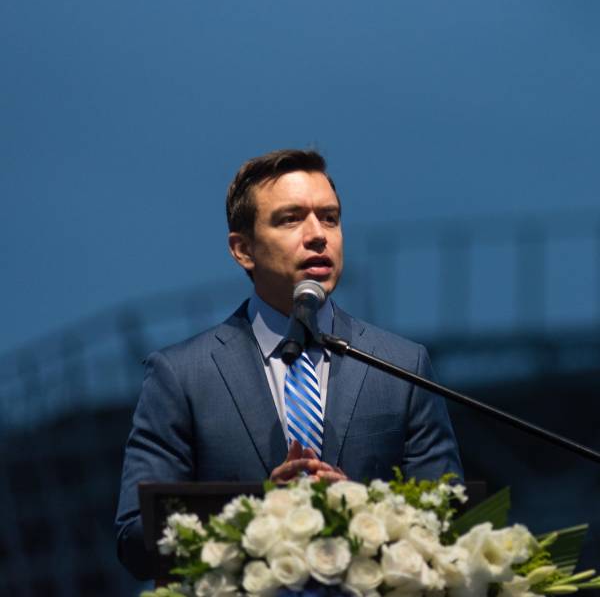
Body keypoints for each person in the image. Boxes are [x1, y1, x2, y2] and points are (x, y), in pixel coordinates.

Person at [115, 149, 462, 579]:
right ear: (243, 249)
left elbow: (451, 525)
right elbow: (135, 539)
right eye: (291, 219)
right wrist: (262, 513)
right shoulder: (182, 376)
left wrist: (360, 509)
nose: (317, 235)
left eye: (330, 218)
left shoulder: (402, 367)